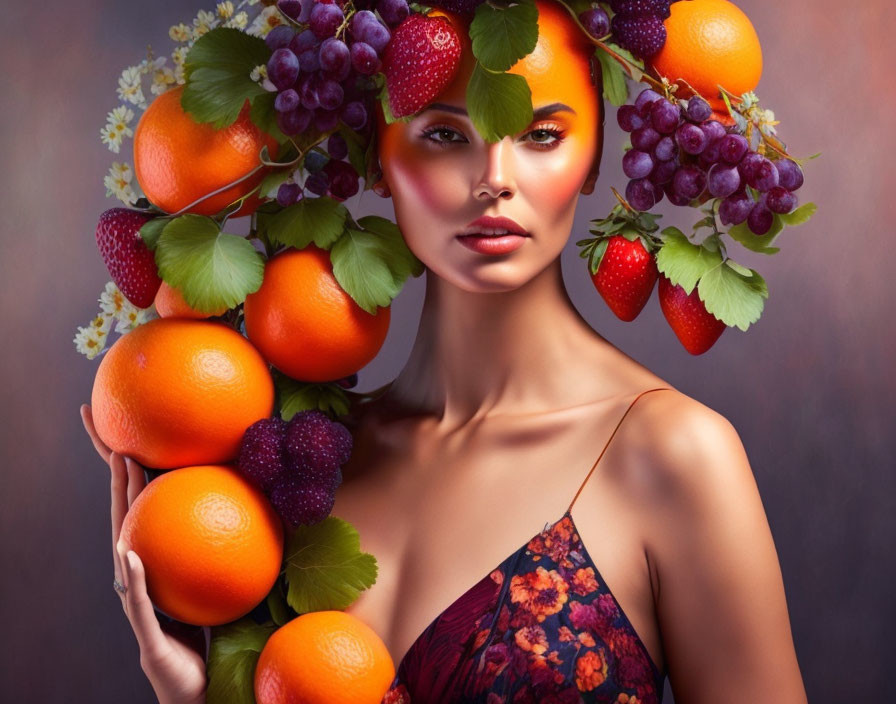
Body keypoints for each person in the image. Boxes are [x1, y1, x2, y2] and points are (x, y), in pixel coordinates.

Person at [81, 1, 809, 701]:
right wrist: (197, 698)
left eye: (542, 135)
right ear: (373, 159)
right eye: (442, 134)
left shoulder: (675, 457)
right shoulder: (307, 471)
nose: (494, 178)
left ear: (595, 161)